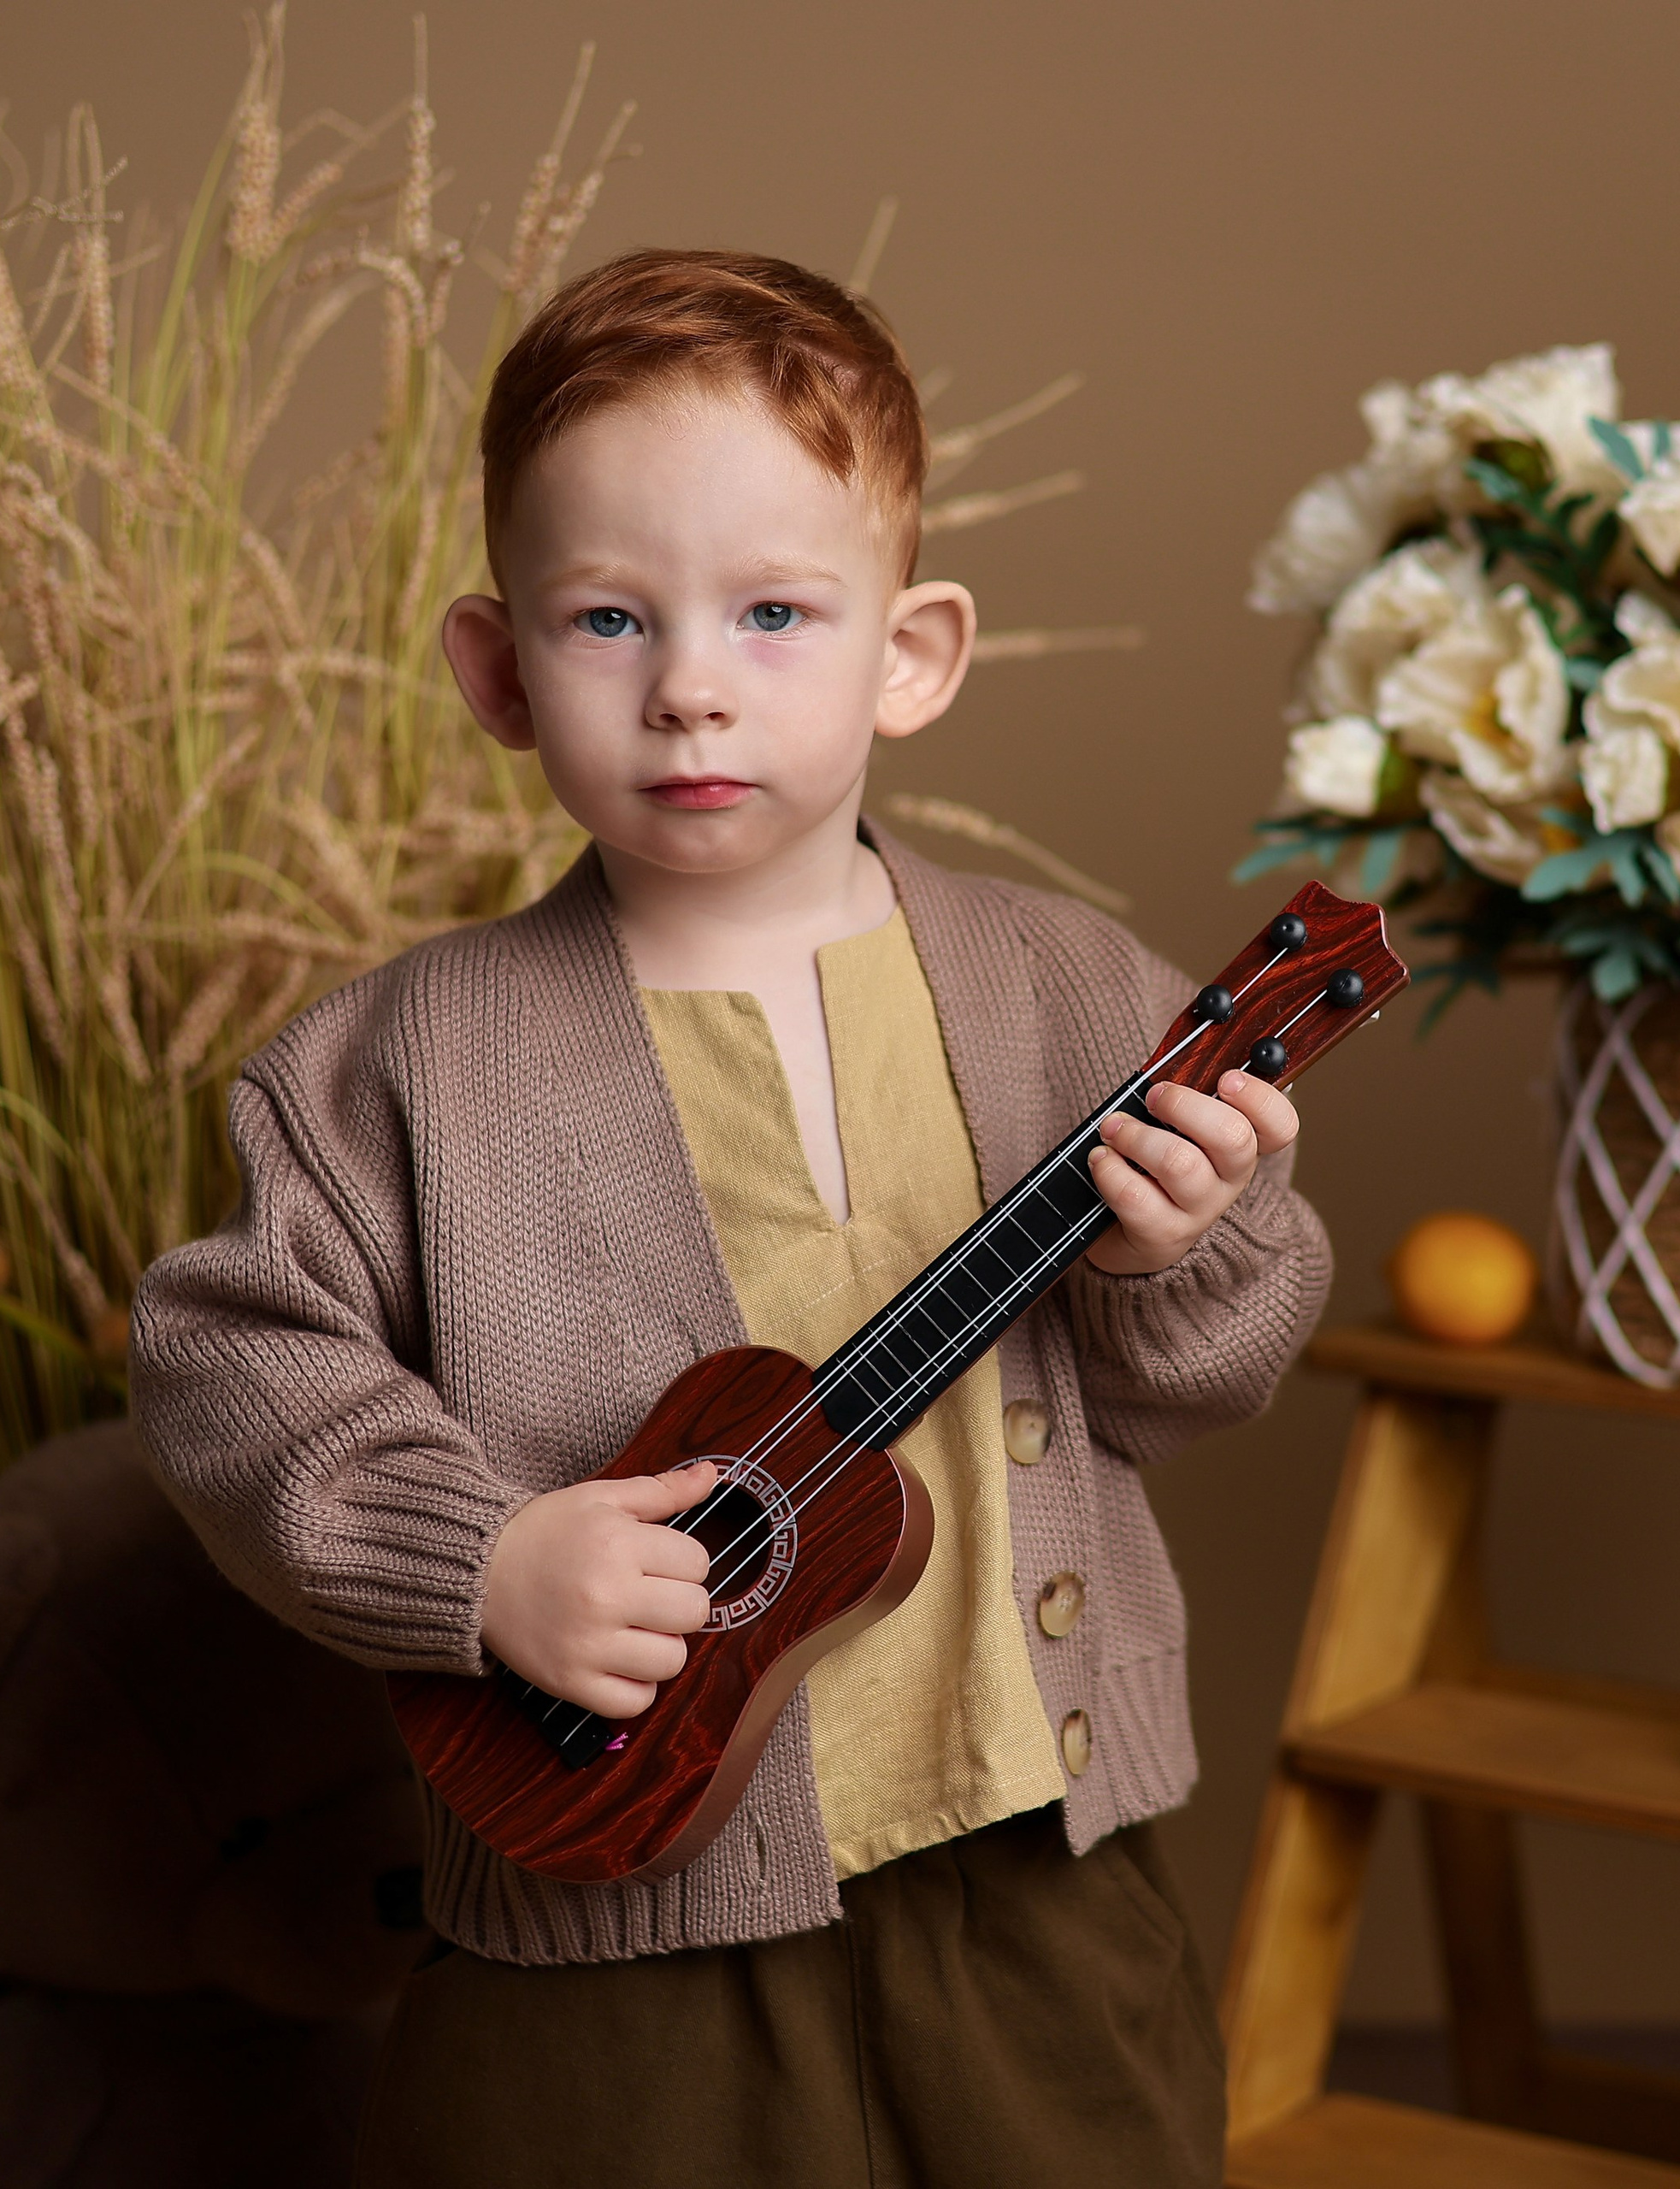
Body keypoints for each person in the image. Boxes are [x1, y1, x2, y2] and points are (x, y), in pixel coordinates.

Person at [130, 248, 1330, 2189]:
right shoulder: (393, 1060)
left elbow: (1202, 1375)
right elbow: (226, 1366)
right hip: (608, 1926)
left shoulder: (1075, 995)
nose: (690, 684)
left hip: (1030, 1866)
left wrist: (1172, 1260)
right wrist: (479, 1560)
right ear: (500, 671)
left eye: (775, 613)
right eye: (609, 617)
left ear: (910, 653)